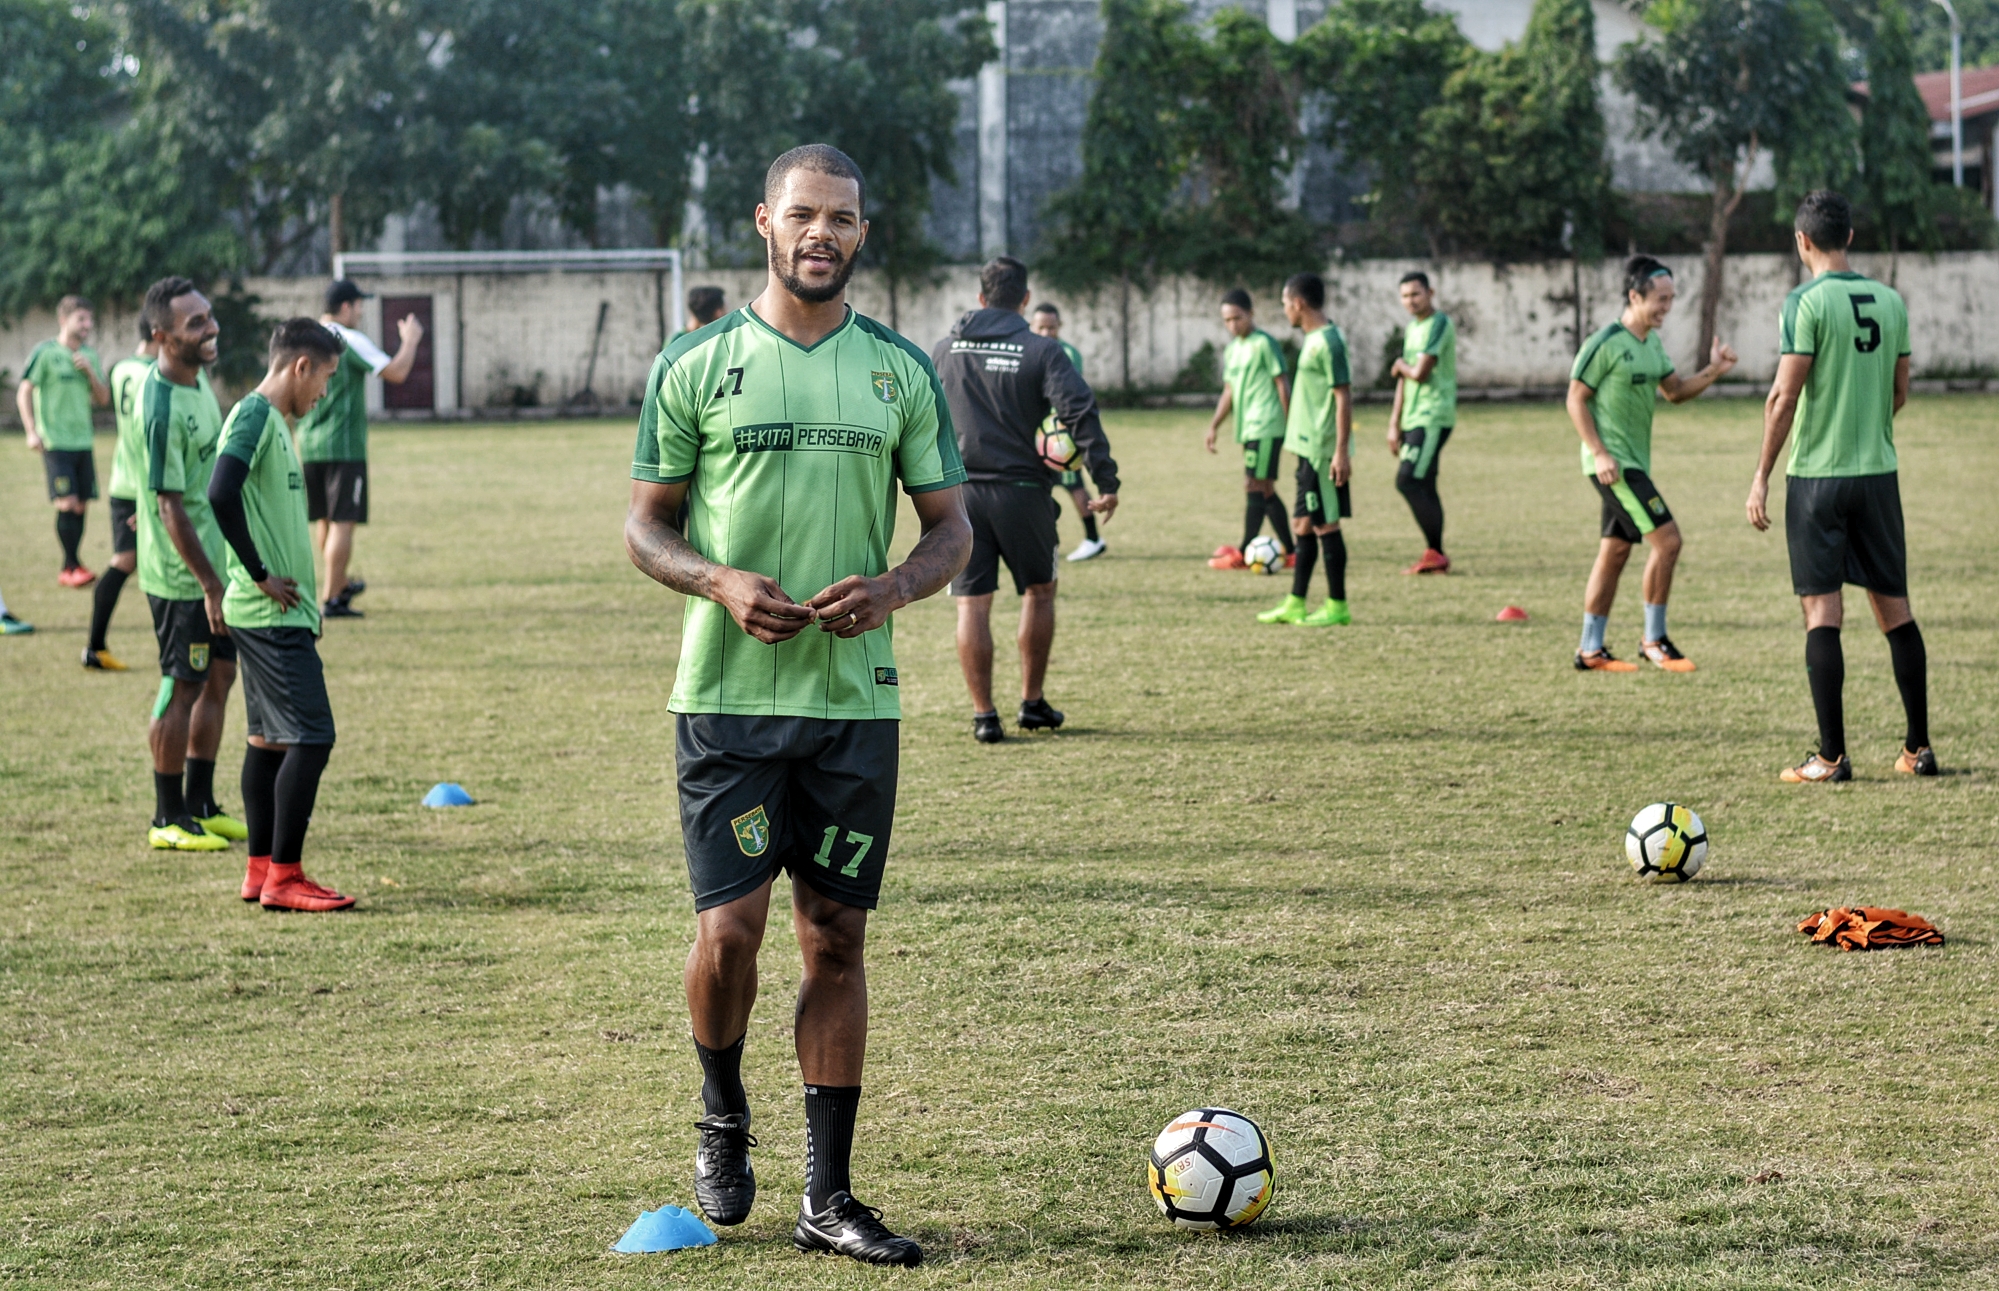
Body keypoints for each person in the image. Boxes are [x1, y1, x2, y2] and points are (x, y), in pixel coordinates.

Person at [624, 144, 971, 1266]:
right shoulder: (696, 362)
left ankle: (829, 1197)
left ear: (862, 235)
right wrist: (718, 579)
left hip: (853, 702)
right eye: (805, 215)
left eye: (845, 220)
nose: (823, 234)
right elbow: (645, 527)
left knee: (836, 935)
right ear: (764, 221)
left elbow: (951, 530)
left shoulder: (899, 372)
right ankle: (721, 1112)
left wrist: (896, 588)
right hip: (726, 698)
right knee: (731, 935)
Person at [1747, 189, 1936, 782]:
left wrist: (1760, 476)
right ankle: (1918, 749)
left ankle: (1830, 757)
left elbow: (1784, 394)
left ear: (1802, 241)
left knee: (1822, 611)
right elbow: (1900, 391)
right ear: (1849, 237)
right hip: (1878, 476)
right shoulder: (1890, 300)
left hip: (1817, 480)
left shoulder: (1804, 302)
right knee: (1895, 611)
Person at [938, 258, 1119, 743]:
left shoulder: (944, 350)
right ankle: (1032, 703)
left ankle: (984, 716)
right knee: (1039, 592)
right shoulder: (1042, 350)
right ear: (1024, 300)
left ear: (980, 298)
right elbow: (1079, 410)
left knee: (972, 605)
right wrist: (1105, 478)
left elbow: (919, 419)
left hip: (961, 497)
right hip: (1024, 494)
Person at [209, 319, 356, 911]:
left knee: (268, 740)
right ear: (300, 366)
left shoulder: (270, 423)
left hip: (279, 613)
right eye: (325, 378)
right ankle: (285, 878)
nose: (324, 392)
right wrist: (256, 573)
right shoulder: (252, 416)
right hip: (267, 612)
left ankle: (260, 870)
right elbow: (220, 492)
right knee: (312, 736)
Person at [1568, 256, 1738, 673]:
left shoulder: (1650, 343)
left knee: (1616, 550)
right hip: (1616, 466)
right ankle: (1654, 640)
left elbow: (1675, 391)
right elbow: (1575, 397)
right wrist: (1601, 452)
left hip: (1632, 463)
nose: (1667, 306)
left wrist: (1715, 370)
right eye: (1660, 299)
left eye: (1671, 299)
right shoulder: (1605, 342)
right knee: (1669, 542)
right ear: (1634, 296)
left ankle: (1591, 649)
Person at [136, 277, 247, 852]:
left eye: (209, 317)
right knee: (184, 684)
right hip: (185, 577)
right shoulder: (160, 406)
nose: (211, 329)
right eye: (196, 324)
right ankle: (167, 817)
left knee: (219, 676)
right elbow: (168, 504)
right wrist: (207, 583)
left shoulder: (197, 379)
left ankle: (201, 802)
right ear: (161, 336)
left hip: (216, 567)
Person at [296, 279, 424, 619]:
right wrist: (410, 342)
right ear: (346, 307)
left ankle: (337, 586)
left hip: (308, 443)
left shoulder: (308, 338)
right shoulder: (347, 340)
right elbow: (396, 372)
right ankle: (332, 598)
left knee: (326, 520)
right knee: (344, 522)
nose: (362, 311)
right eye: (359, 305)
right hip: (343, 445)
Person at [1257, 273, 1355, 626]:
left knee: (1326, 525)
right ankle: (1296, 602)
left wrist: (1340, 452)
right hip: (1304, 449)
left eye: (1285, 304)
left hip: (1321, 451)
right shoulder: (1315, 339)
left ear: (1298, 303)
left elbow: (1343, 396)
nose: (1285, 311)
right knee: (1301, 524)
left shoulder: (1329, 342)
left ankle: (1337, 606)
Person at [17, 295, 110, 588]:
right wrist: (32, 430)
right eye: (81, 319)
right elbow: (24, 391)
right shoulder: (45, 353)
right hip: (55, 441)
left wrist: (91, 374)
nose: (87, 325)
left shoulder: (90, 356)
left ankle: (74, 564)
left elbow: (103, 399)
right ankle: (69, 566)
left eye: (89, 320)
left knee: (81, 505)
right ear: (64, 319)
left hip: (83, 441)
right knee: (66, 502)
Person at [87, 318, 163, 671]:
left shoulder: (120, 369)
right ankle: (95, 646)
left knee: (138, 561)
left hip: (124, 479)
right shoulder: (158, 374)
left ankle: (97, 646)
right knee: (132, 561)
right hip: (144, 482)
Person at [1206, 289, 1291, 569]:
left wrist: (1290, 422)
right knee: (1261, 487)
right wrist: (1214, 425)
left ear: (1251, 314)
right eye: (1227, 320)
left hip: (1266, 424)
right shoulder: (1232, 349)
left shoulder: (1265, 344)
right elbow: (1228, 391)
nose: (1232, 325)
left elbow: (1282, 383)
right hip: (1248, 428)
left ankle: (1248, 552)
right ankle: (1288, 550)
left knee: (1257, 484)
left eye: (1237, 318)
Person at [1388, 272, 1456, 574]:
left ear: (1430, 292)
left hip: (1432, 415)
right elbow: (1405, 379)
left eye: (1415, 294)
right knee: (1424, 483)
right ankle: (1435, 554)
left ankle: (1436, 552)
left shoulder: (1438, 324)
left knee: (1408, 480)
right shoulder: (1412, 328)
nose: (1410, 301)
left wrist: (1401, 365)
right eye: (1405, 296)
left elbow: (1418, 373)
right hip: (1414, 417)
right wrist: (1394, 422)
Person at [1029, 302, 1106, 562]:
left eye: (1051, 327)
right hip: (1037, 435)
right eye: (1041, 327)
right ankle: (1046, 541)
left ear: (1059, 326)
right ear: (1032, 325)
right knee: (1040, 489)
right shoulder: (1029, 350)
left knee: (1074, 486)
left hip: (1060, 436)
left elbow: (1068, 396)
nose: (1046, 332)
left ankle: (1093, 539)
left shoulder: (1067, 354)